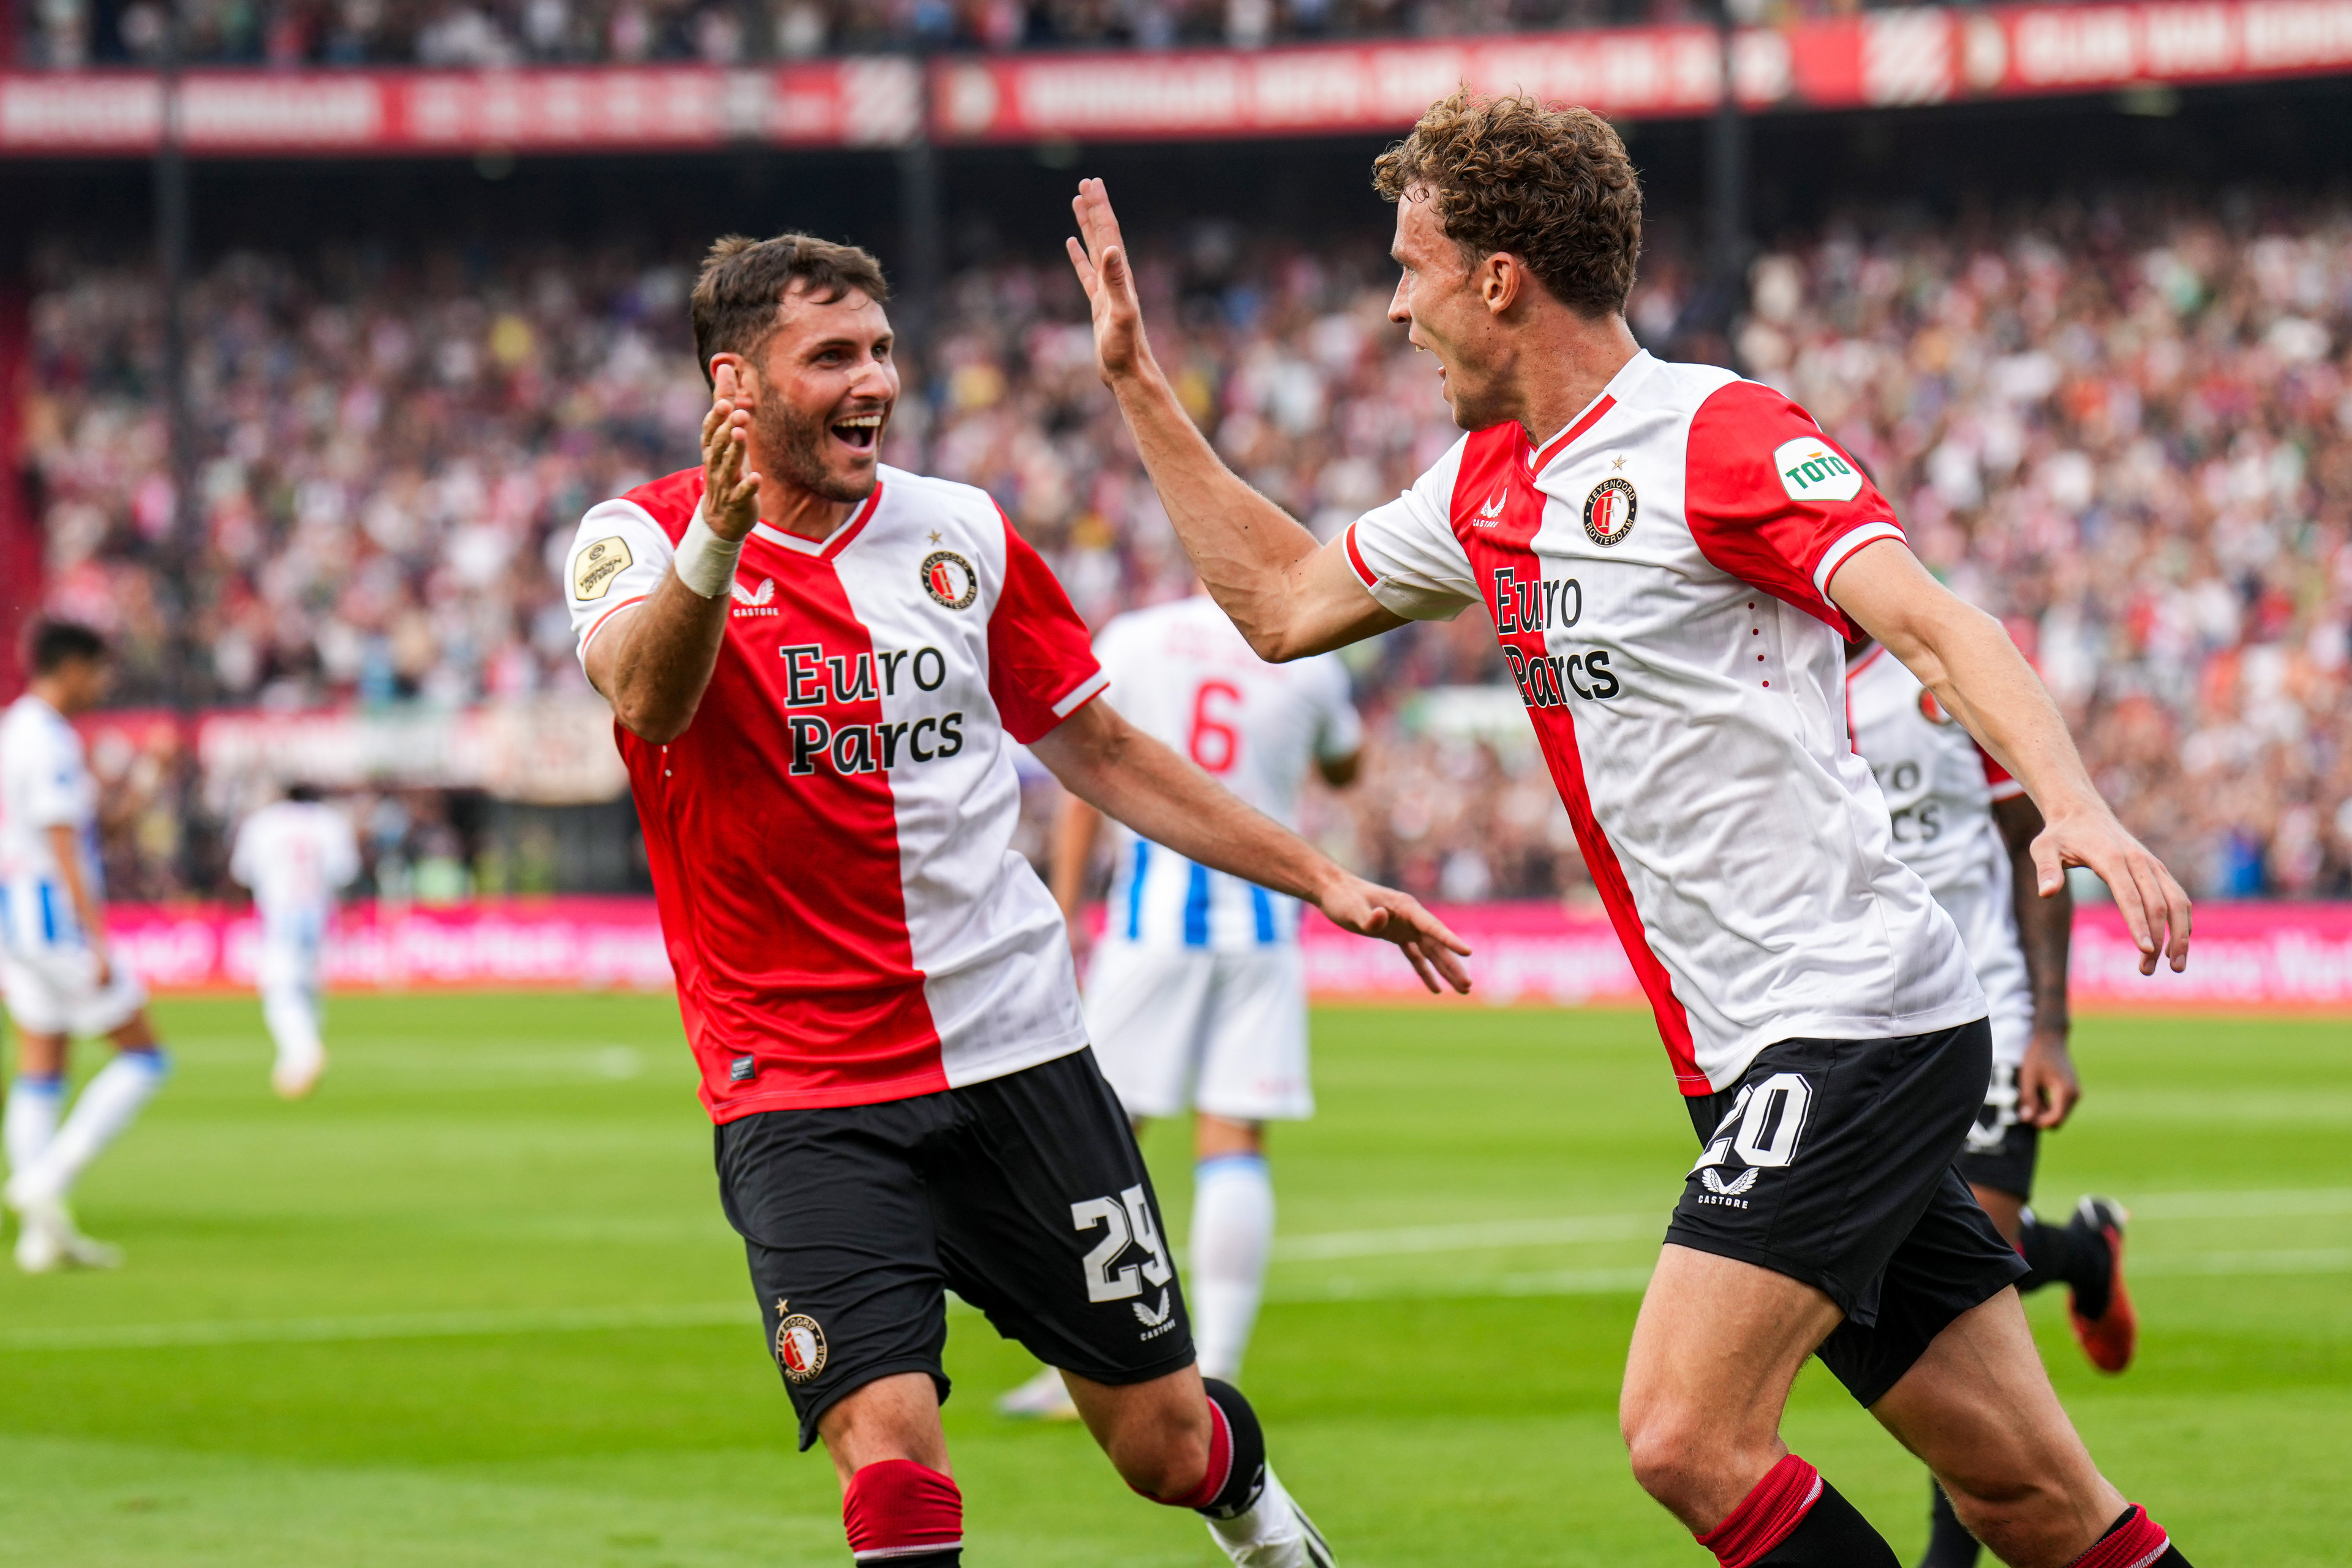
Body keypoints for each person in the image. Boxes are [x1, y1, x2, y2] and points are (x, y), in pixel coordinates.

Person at [1067, 89, 2196, 1568]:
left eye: (1409, 266)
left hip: (1851, 1015)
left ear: (1498, 279)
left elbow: (1930, 617)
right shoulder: (1482, 484)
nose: (1393, 304)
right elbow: (1283, 603)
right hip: (1743, 1048)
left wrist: (2076, 800)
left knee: (1682, 1432)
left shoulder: (1712, 435)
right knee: (2031, 1499)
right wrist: (1140, 389)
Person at [563, 230, 1470, 1568]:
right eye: (832, 356)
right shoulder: (634, 537)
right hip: (800, 1088)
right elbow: (649, 695)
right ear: (735, 387)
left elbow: (1099, 749)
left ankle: (1266, 1527)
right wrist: (715, 535)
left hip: (1017, 1053)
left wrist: (1323, 876)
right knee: (887, 1438)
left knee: (1166, 1443)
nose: (874, 378)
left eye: (879, 349)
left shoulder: (963, 532)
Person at [998, 592, 1363, 1420]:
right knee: (1235, 1132)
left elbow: (1091, 769)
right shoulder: (1307, 655)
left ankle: (1083, 1364)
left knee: (1099, 1140)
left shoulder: (1138, 636)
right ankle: (1220, 1366)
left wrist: (1066, 898)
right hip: (1265, 917)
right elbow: (1347, 763)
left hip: (1151, 916)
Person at [1846, 639, 2138, 1568]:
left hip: (1983, 1011)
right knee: (1929, 1267)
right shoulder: (1781, 680)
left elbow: (2031, 848)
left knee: (1967, 1291)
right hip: (1859, 1025)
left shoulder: (1941, 671)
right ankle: (2086, 1255)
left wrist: (2050, 1025)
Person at [0, 622, 171, 1273]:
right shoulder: (46, 740)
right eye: (97, 671)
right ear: (69, 668)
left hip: (18, 918)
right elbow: (65, 843)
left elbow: (103, 829)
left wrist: (152, 771)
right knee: (146, 1057)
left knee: (40, 1070)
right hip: (52, 918)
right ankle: (45, 1181)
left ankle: (41, 1236)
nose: (101, 685)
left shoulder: (19, 731)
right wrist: (96, 937)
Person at [230, 783, 362, 1099]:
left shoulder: (262, 823)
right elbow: (346, 873)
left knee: (280, 989)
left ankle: (302, 1052)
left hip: (280, 914)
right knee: (308, 986)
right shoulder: (331, 822)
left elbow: (243, 872)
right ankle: (301, 1058)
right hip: (318, 913)